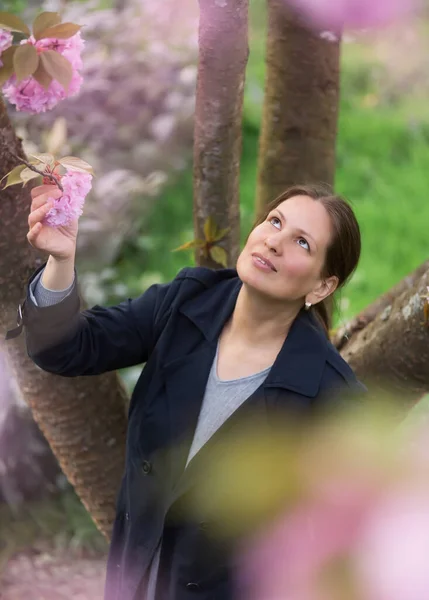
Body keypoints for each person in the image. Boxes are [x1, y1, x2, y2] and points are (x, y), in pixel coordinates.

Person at [10, 182, 366, 600]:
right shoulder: (187, 302)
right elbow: (67, 349)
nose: (274, 242)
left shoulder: (331, 398)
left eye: (301, 242)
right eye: (274, 222)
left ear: (322, 287)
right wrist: (61, 259)